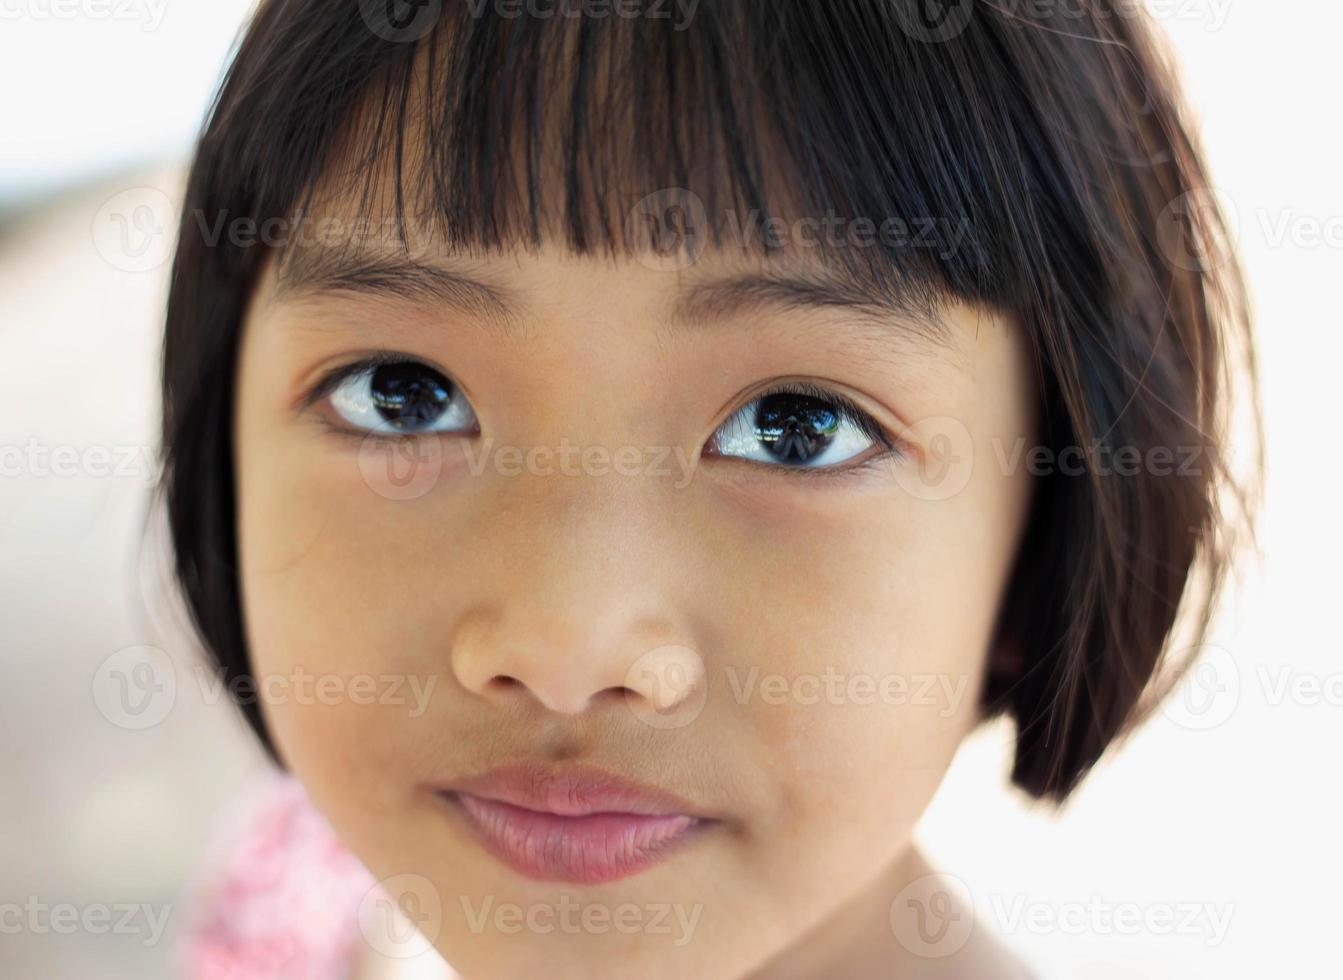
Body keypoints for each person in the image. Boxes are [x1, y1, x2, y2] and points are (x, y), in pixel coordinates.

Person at [160, 1, 1255, 976]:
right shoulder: (285, 913)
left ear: (1043, 536)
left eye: (797, 428)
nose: (566, 647)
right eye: (402, 394)